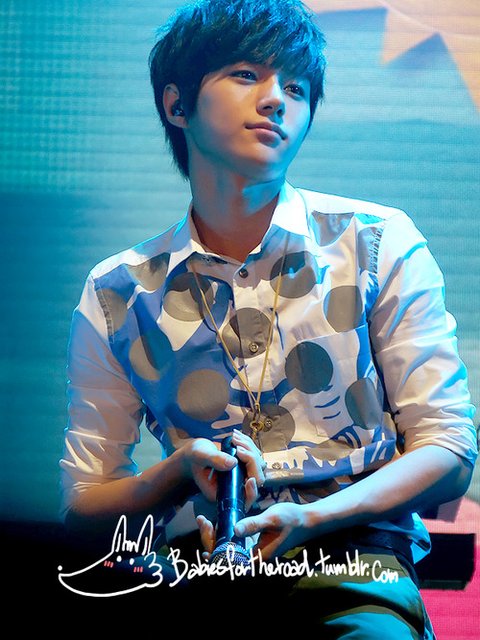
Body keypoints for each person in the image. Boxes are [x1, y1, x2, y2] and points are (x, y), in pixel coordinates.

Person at [59, 0, 477, 635]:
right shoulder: (118, 292)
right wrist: (176, 472)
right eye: (247, 74)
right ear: (177, 104)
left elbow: (449, 449)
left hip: (355, 565)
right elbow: (86, 505)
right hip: (193, 571)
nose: (277, 99)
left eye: (297, 88)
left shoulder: (374, 243)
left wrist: (314, 517)